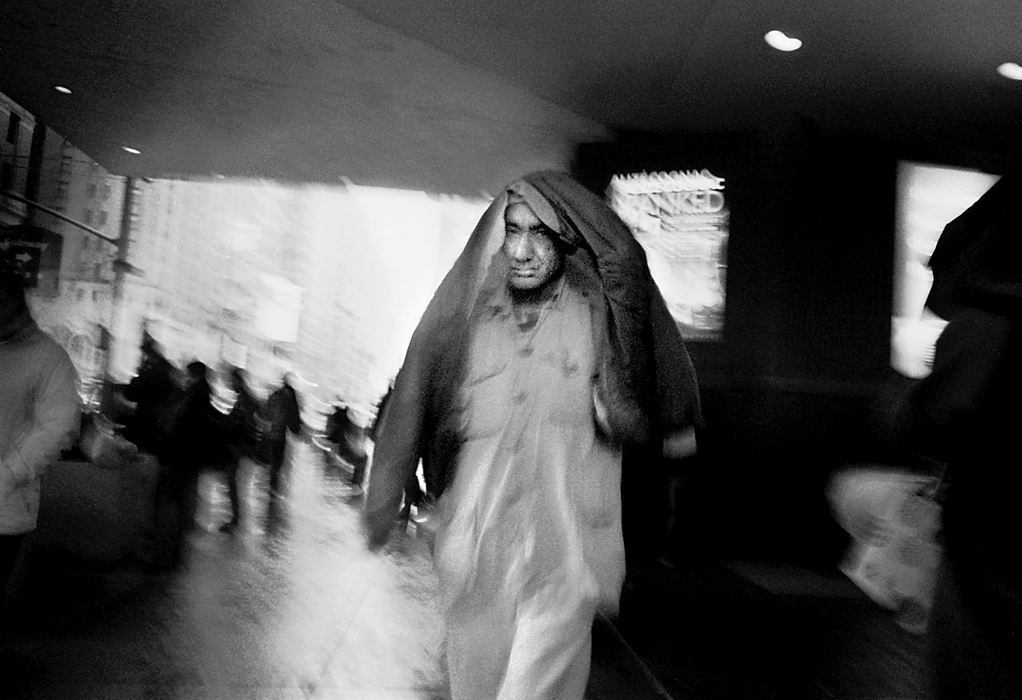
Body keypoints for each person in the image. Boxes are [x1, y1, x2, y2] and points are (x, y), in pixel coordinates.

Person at [363, 171, 701, 698]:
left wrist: (636, 422)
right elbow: (417, 397)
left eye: (538, 233)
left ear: (565, 239)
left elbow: (646, 407)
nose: (520, 249)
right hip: (475, 561)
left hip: (565, 561)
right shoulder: (469, 325)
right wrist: (390, 491)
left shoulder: (600, 323)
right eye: (512, 230)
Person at [890, 169, 1022, 699]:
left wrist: (905, 402)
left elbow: (933, 419)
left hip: (994, 536)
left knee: (977, 669)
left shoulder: (991, 313)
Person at [0, 261, 80, 607]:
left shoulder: (49, 358)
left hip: (3, 509)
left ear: (14, 302)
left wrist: (5, 476)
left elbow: (56, 428)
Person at [152, 360, 219, 568]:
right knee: (182, 505)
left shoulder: (193, 397)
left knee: (171, 504)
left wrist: (168, 450)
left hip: (181, 459)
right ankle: (176, 554)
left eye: (187, 373)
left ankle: (168, 555)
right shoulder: (202, 396)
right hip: (189, 459)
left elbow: (182, 430)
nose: (184, 376)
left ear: (193, 374)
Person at [220, 366, 263, 532]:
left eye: (232, 381)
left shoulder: (245, 401)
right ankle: (237, 517)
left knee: (234, 483)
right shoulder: (248, 398)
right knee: (237, 483)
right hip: (243, 447)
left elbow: (239, 424)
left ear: (238, 381)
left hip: (239, 447)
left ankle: (236, 519)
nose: (230, 384)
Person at [263, 372, 301, 499]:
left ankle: (271, 486)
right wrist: (296, 430)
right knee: (278, 462)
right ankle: (274, 488)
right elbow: (292, 416)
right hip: (280, 435)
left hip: (270, 434)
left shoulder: (274, 394)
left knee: (274, 461)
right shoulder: (290, 396)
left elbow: (266, 412)